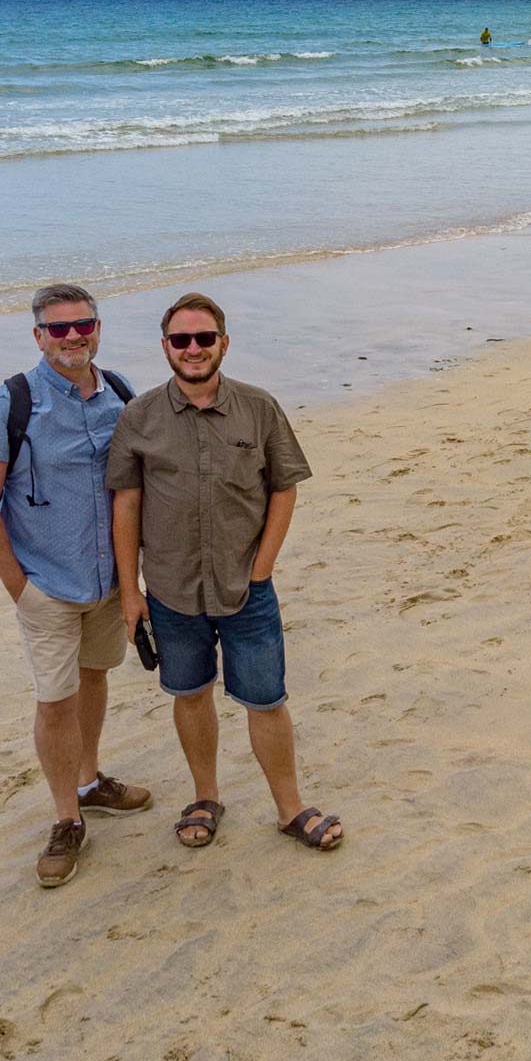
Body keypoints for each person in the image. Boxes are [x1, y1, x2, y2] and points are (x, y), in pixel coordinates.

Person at [110, 293, 342, 853]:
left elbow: (284, 487)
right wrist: (130, 592)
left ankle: (290, 809)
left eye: (204, 338)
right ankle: (206, 796)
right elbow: (126, 503)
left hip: (246, 589)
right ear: (165, 347)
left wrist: (262, 569)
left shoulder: (259, 408)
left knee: (267, 701)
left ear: (223, 343)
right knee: (189, 694)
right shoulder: (138, 416)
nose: (193, 349)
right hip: (170, 590)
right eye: (181, 340)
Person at [0, 283, 152, 888]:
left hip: (107, 579)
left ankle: (91, 781)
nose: (74, 337)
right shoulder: (10, 405)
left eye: (84, 325)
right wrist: (17, 586)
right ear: (38, 336)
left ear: (98, 328)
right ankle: (67, 817)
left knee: (95, 676)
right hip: (45, 583)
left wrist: (134, 579)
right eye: (60, 328)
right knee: (55, 698)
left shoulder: (120, 393)